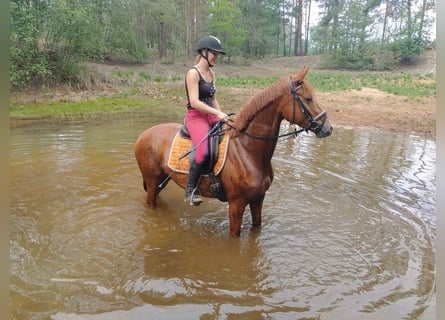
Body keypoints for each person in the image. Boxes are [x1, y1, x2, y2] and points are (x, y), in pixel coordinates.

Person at [184, 35, 229, 206]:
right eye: (214, 54)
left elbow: (213, 98)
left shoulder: (211, 73)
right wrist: (216, 114)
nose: (216, 57)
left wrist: (220, 113)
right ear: (204, 52)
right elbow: (195, 102)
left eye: (218, 54)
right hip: (196, 117)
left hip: (210, 114)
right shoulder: (192, 73)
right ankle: (190, 190)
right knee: (202, 152)